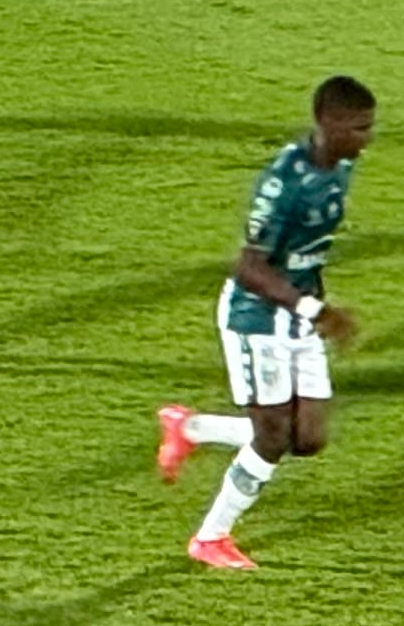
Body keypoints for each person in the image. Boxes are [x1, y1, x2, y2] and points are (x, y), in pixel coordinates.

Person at [150, 77, 375, 571]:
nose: (368, 138)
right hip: (257, 317)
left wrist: (315, 305)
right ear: (328, 123)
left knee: (308, 438)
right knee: (271, 438)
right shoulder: (283, 185)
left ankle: (189, 427)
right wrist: (316, 311)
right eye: (359, 128)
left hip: (301, 312)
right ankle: (210, 538)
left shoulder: (341, 165)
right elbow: (250, 268)